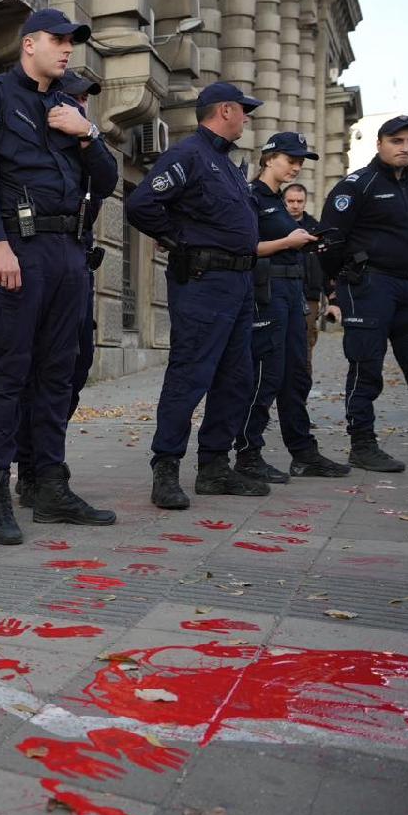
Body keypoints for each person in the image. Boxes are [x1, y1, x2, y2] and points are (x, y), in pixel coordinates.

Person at [0, 12, 120, 545]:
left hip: (68, 252)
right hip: (19, 250)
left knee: (59, 372)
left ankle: (48, 484)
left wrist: (88, 132)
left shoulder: (67, 107)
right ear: (29, 44)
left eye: (71, 42)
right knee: (9, 373)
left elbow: (108, 179)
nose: (68, 50)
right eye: (58, 40)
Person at [124, 81, 270, 509]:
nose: (247, 118)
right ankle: (166, 467)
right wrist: (177, 239)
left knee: (235, 377)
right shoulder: (188, 155)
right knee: (190, 375)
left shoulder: (226, 163)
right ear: (225, 110)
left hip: (238, 285)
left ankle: (213, 468)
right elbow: (141, 205)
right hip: (204, 282)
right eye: (243, 111)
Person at [13, 70, 109, 509]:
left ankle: (42, 457)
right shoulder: (39, 144)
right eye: (74, 100)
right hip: (36, 263)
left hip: (76, 268)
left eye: (85, 102)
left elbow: (108, 182)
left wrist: (89, 135)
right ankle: (31, 465)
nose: (81, 106)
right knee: (34, 370)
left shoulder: (84, 147)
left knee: (74, 365)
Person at [230, 133, 350, 481]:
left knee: (296, 376)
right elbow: (242, 247)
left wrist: (311, 244)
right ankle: (247, 454)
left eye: (301, 161)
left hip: (293, 293)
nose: (296, 166)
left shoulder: (279, 203)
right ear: (268, 158)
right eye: (290, 159)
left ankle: (304, 453)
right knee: (266, 376)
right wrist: (288, 241)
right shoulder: (251, 196)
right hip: (266, 294)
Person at [316, 114, 408, 473]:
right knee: (366, 367)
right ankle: (363, 444)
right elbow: (330, 241)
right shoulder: (357, 185)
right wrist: (341, 284)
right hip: (370, 286)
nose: (405, 148)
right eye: (397, 141)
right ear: (379, 144)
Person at [282, 182, 326, 373]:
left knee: (305, 345)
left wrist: (331, 296)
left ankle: (299, 393)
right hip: (278, 290)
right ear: (283, 202)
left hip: (309, 294)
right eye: (291, 201)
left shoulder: (316, 229)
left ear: (305, 202)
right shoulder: (273, 226)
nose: (295, 205)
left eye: (299, 201)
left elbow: (326, 265)